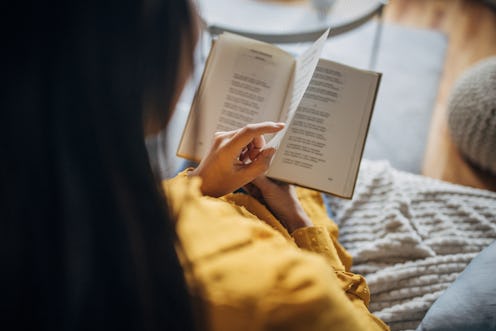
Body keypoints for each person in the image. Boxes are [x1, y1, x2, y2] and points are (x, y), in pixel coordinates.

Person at [1, 1, 389, 330]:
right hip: (272, 234)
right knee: (307, 187)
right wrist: (300, 222)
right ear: (149, 62)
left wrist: (201, 183)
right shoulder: (287, 291)